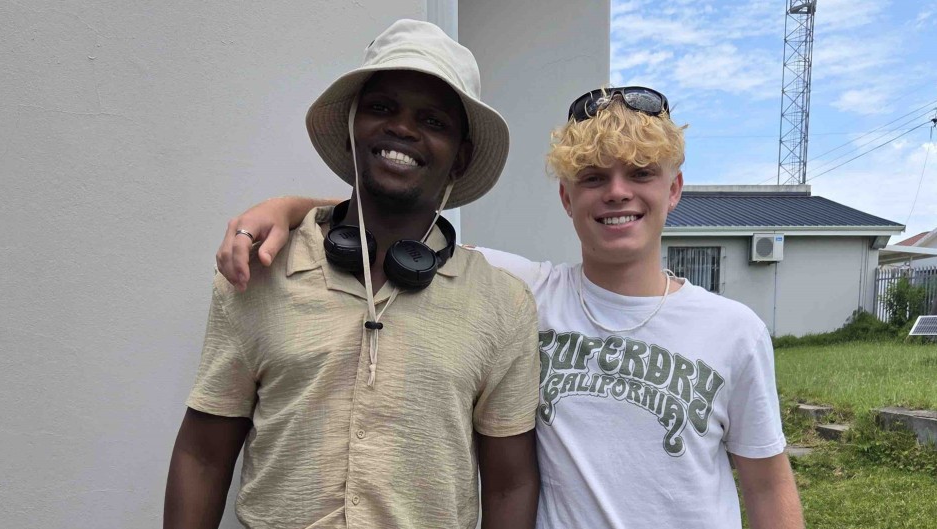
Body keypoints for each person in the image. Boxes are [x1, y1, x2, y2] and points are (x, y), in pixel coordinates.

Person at [215, 87, 805, 528]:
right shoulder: (519, 291)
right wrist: (290, 207)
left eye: (642, 175)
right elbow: (395, 217)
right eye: (594, 177)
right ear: (566, 197)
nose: (618, 192)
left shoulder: (733, 331)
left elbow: (768, 487)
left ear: (673, 190)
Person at [165, 19, 541, 529]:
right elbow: (204, 456)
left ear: (461, 157)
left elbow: (510, 484)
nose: (403, 129)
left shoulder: (502, 303)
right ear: (351, 127)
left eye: (432, 121)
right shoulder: (260, 270)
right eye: (382, 108)